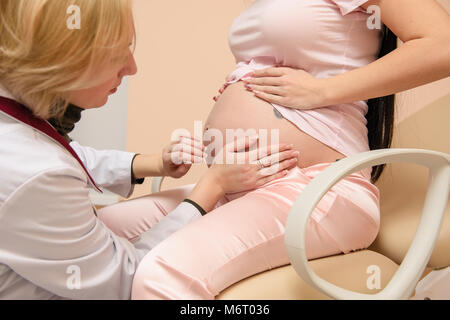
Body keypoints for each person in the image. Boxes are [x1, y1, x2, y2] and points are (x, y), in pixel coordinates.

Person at [127, 0, 450, 299]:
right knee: (103, 234)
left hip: (316, 187)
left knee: (160, 274)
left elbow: (442, 44)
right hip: (238, 184)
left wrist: (322, 90)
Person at [0, 0, 298, 299]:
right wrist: (212, 186)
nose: (132, 67)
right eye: (117, 54)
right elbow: (123, 280)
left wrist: (156, 164)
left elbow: (65, 157)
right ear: (61, 59)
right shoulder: (36, 173)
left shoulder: (16, 125)